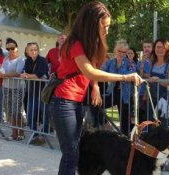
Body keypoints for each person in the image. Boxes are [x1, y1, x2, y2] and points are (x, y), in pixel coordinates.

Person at [48, 2, 143, 175]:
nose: (107, 31)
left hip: (77, 101)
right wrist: (125, 77)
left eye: (108, 26)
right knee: (71, 154)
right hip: (64, 101)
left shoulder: (88, 44)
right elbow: (90, 71)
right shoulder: (75, 44)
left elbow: (90, 71)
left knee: (75, 151)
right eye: (104, 26)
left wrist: (95, 87)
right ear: (92, 23)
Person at [101, 39, 135, 136]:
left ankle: (125, 140)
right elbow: (102, 71)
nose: (121, 53)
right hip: (111, 92)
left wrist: (114, 76)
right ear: (115, 50)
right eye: (119, 51)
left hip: (125, 95)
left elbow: (131, 75)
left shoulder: (130, 63)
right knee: (96, 105)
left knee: (125, 122)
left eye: (124, 52)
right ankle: (106, 124)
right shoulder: (110, 62)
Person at [20, 42, 49, 145]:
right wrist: (27, 75)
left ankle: (45, 136)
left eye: (35, 50)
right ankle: (35, 135)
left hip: (43, 92)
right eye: (31, 50)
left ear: (38, 50)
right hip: (32, 91)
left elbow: (39, 75)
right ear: (28, 51)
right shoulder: (27, 60)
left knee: (44, 115)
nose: (33, 51)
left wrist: (27, 75)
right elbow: (24, 72)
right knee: (31, 114)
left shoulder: (42, 60)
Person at [0, 38, 25, 141]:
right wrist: (0, 72)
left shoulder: (21, 59)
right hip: (6, 87)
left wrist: (4, 74)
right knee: (10, 110)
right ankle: (14, 133)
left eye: (12, 48)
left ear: (17, 48)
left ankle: (21, 132)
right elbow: (3, 70)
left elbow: (17, 72)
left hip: (17, 88)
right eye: (8, 48)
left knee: (17, 110)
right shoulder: (5, 59)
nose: (10, 50)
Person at [148, 38, 169, 126]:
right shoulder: (151, 62)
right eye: (157, 47)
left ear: (167, 50)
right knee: (151, 126)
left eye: (162, 48)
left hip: (165, 100)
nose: (159, 50)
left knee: (163, 127)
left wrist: (158, 80)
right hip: (151, 99)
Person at [136, 40, 152, 123]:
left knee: (151, 117)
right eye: (145, 47)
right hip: (142, 92)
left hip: (152, 92)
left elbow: (153, 75)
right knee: (141, 117)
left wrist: (147, 75)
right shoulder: (140, 61)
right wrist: (142, 61)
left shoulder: (155, 60)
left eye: (148, 47)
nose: (146, 49)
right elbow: (140, 75)